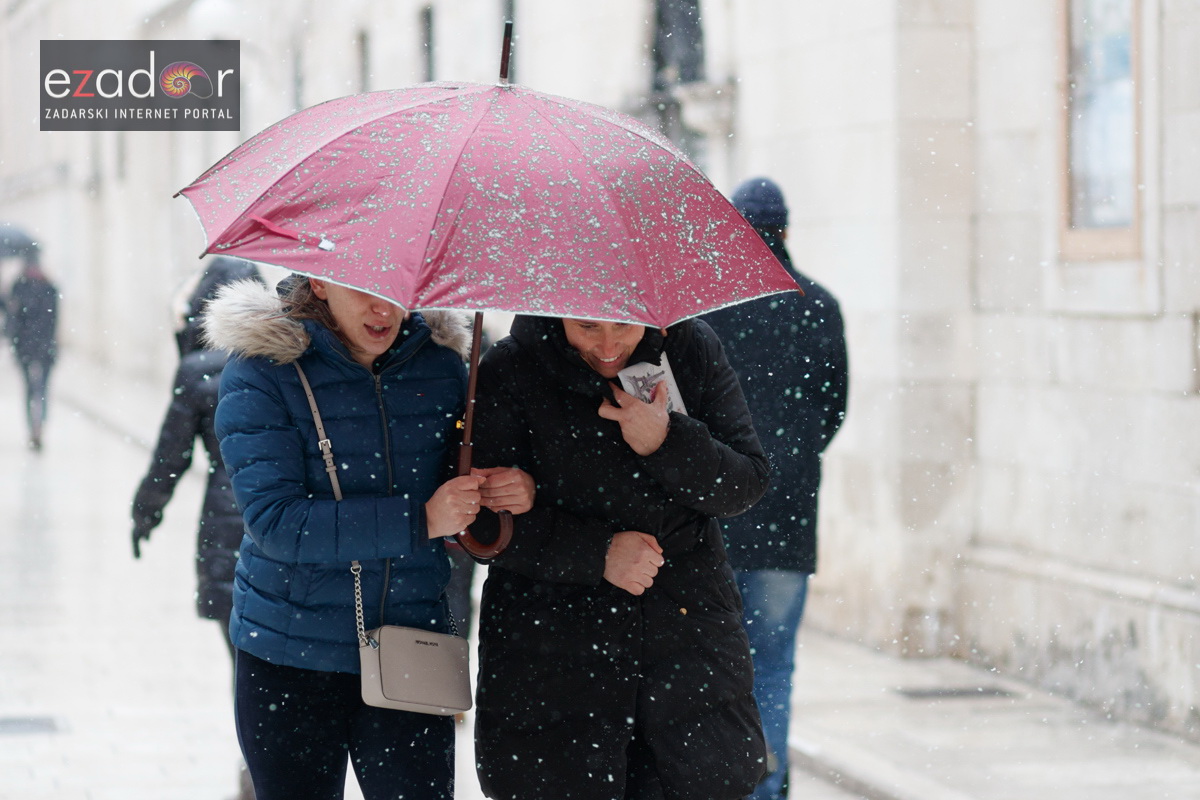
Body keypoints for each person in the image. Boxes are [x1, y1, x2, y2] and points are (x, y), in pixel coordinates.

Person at [201, 275, 534, 800]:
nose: (384, 308)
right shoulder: (263, 372)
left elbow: (461, 491)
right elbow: (276, 523)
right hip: (291, 654)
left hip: (410, 639)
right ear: (320, 284)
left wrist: (502, 491)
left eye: (399, 288)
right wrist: (419, 520)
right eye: (364, 289)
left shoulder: (443, 366)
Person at [469, 313, 771, 800]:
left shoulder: (691, 349)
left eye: (624, 327)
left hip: (685, 648)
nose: (609, 345)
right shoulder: (511, 367)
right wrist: (596, 552)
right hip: (551, 660)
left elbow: (745, 484)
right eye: (588, 327)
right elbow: (479, 526)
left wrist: (667, 440)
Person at [702, 177, 849, 800]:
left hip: (714, 521)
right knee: (773, 667)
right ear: (785, 231)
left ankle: (720, 784)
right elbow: (832, 410)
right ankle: (764, 787)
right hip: (787, 519)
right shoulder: (818, 305)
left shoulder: (707, 309)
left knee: (712, 670)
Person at [129, 256, 264, 800]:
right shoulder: (284, 361)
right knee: (271, 656)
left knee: (241, 652)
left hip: (225, 531)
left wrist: (145, 513)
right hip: (279, 529)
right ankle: (267, 754)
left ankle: (257, 756)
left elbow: (169, 458)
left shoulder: (198, 370)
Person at [5, 251, 58, 451]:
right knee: (38, 390)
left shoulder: (21, 288)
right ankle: (37, 427)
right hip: (39, 347)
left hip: (29, 347)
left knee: (34, 390)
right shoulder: (47, 287)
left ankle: (36, 427)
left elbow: (13, 321)